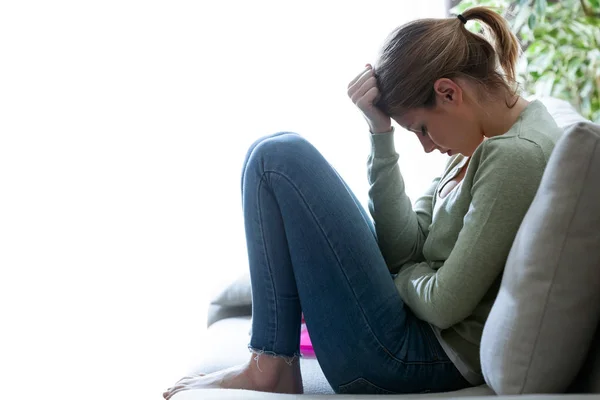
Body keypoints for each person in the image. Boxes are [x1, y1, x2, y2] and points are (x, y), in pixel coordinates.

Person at [163, 6, 562, 398]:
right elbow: (402, 247)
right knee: (268, 153)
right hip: (410, 332)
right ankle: (271, 362)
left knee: (279, 159)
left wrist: (400, 275)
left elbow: (442, 304)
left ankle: (269, 367)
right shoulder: (481, 137)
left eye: (421, 128)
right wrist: (379, 133)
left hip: (415, 356)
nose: (426, 147)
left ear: (448, 92)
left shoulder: (514, 156)